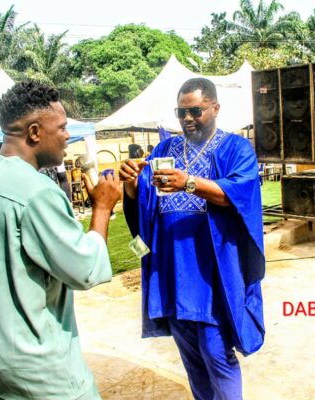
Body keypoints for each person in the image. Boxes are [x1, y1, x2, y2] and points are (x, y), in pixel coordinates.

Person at [0, 81, 121, 399]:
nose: (67, 136)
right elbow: (85, 269)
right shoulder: (39, 192)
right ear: (34, 132)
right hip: (44, 372)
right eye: (61, 128)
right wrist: (102, 208)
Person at [120, 78, 265, 399]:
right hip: (173, 270)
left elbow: (237, 194)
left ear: (215, 108)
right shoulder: (164, 149)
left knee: (217, 352)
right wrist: (130, 183)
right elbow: (145, 199)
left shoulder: (236, 148)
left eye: (195, 111)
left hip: (213, 270)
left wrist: (189, 182)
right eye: (181, 112)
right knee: (191, 356)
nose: (187, 118)